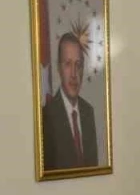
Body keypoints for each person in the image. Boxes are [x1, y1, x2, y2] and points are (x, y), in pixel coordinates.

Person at [42, 33, 99, 169]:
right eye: (67, 64)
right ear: (59, 68)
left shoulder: (88, 112)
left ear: (83, 70)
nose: (73, 74)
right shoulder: (46, 117)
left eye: (78, 65)